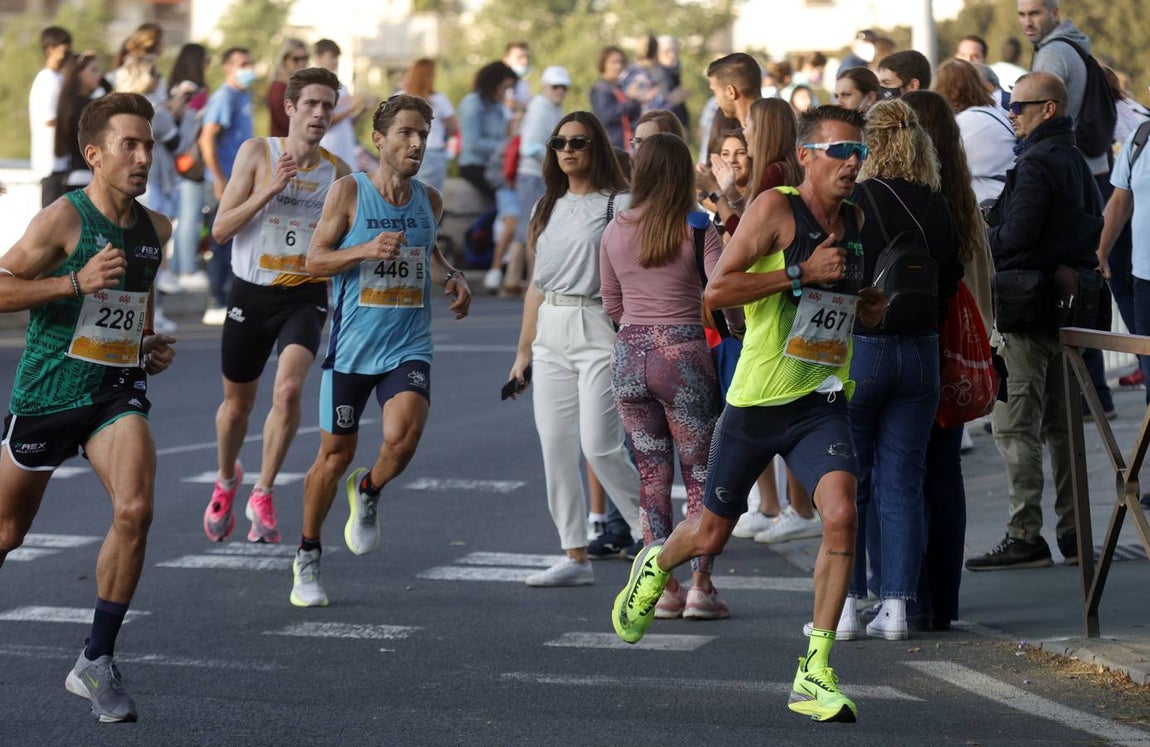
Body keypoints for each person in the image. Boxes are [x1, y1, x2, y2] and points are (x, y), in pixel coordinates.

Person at [611, 106, 887, 724]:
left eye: (859, 152)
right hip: (757, 400)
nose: (852, 163)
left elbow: (836, 302)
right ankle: (655, 563)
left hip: (819, 398)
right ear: (807, 157)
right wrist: (797, 273)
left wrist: (864, 304)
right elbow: (716, 293)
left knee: (841, 515)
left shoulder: (858, 218)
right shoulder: (772, 210)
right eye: (840, 150)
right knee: (711, 533)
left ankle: (813, 671)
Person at [0, 92, 177, 723]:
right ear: (93, 154)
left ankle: (94, 661)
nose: (142, 157)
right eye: (129, 144)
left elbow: (135, 314)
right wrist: (74, 282)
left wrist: (148, 347)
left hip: (112, 393)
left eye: (149, 145)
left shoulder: (158, 230)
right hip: (47, 392)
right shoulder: (63, 220)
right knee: (7, 533)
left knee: (136, 508)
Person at [294, 94, 470, 606]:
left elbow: (431, 255)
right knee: (333, 456)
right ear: (380, 140)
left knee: (403, 438)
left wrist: (453, 278)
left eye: (423, 134)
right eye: (406, 134)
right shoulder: (349, 193)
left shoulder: (429, 200)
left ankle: (368, 490)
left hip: (408, 343)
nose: (416, 144)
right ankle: (307, 555)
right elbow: (314, 261)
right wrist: (365, 250)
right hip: (351, 349)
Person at [201, 67, 350, 546]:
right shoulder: (256, 153)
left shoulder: (337, 171)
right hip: (250, 293)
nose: (320, 114)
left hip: (304, 295)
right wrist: (270, 188)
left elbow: (347, 236)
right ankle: (227, 478)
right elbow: (221, 230)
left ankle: (262, 491)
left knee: (287, 391)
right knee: (236, 407)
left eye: (328, 105)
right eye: (310, 104)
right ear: (289, 107)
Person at [967, 72, 1104, 571]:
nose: (1010, 113)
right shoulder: (1075, 161)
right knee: (1063, 429)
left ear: (1048, 109)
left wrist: (990, 235)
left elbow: (1018, 234)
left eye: (1019, 106)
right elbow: (1092, 225)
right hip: (1069, 314)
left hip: (1027, 313)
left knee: (1014, 427)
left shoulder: (1037, 163)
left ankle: (1024, 534)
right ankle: (1074, 533)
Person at [507, 111, 642, 586]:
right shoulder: (545, 205)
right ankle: (574, 554)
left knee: (600, 445)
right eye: (558, 142)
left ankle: (654, 539)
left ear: (596, 147)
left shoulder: (621, 203)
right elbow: (534, 287)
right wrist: (522, 355)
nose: (567, 150)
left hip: (598, 325)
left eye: (578, 142)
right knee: (556, 446)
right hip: (550, 331)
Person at [846, 99, 962, 640]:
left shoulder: (860, 199)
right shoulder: (936, 203)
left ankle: (844, 604)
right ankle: (896, 608)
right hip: (921, 351)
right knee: (903, 482)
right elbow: (952, 275)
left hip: (863, 348)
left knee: (849, 481)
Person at [600, 132, 728, 618]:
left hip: (630, 357)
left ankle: (664, 587)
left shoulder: (615, 229)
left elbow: (611, 303)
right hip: (684, 359)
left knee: (652, 474)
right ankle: (701, 586)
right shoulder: (698, 228)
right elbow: (719, 292)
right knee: (700, 474)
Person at [903, 89, 995, 630]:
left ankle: (911, 596)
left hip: (919, 341)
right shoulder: (961, 201)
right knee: (944, 469)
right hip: (961, 350)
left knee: (905, 471)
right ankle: (945, 599)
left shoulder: (911, 199)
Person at [498, 65, 571, 296]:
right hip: (533, 174)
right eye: (555, 87)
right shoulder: (542, 108)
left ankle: (514, 279)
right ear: (545, 87)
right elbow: (530, 146)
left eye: (563, 87)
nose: (560, 91)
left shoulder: (552, 108)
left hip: (537, 174)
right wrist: (556, 160)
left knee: (528, 227)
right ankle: (531, 281)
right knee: (532, 227)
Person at [200, 47, 256, 325]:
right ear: (228, 68)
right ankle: (215, 300)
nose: (249, 68)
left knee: (239, 241)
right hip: (225, 183)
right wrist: (220, 177)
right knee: (221, 241)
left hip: (241, 181)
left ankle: (233, 299)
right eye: (242, 64)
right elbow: (207, 139)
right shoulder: (224, 97)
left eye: (249, 63)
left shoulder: (243, 95)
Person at [933, 59, 1016, 204]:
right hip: (1002, 200)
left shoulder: (969, 121)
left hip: (993, 206)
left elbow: (939, 165)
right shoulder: (987, 113)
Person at [165, 43, 211, 294]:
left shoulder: (174, 87)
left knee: (181, 217)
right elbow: (193, 126)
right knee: (189, 219)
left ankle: (175, 270)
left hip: (172, 161)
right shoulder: (196, 91)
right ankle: (184, 270)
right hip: (189, 161)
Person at [458, 61, 517, 198]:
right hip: (475, 166)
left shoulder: (498, 107)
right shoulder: (472, 103)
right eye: (505, 88)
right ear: (493, 84)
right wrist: (504, 148)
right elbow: (472, 143)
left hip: (495, 165)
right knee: (506, 192)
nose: (507, 93)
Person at [29, 26, 73, 207]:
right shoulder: (46, 79)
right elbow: (49, 118)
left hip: (61, 162)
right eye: (65, 48)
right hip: (50, 162)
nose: (68, 53)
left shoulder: (59, 78)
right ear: (51, 49)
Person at [402, 58, 459, 194]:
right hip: (432, 152)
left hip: (403, 152)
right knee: (428, 204)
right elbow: (454, 128)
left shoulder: (398, 97)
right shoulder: (439, 100)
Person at [313, 39, 366, 169]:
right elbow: (324, 121)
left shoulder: (341, 86)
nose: (335, 61)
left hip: (346, 148)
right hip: (329, 148)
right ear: (319, 58)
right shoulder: (314, 85)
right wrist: (351, 107)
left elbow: (348, 123)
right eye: (331, 57)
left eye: (336, 57)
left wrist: (363, 109)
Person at [590, 46, 643, 151]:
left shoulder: (621, 87)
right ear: (604, 64)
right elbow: (607, 116)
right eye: (614, 62)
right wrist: (631, 100)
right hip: (611, 146)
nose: (618, 66)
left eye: (621, 63)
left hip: (628, 146)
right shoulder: (601, 89)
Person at [267, 39, 309, 138]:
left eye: (305, 58)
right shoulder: (279, 87)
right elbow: (286, 122)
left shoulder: (300, 85)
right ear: (284, 60)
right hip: (284, 145)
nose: (301, 63)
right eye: (296, 59)